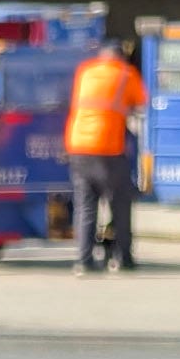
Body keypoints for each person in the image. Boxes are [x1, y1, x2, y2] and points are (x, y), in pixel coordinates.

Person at [64, 37, 147, 275]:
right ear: (121, 56)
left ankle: (83, 261)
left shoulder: (85, 71)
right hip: (108, 147)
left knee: (86, 206)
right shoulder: (126, 73)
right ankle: (123, 258)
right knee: (120, 203)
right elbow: (142, 103)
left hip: (78, 146)